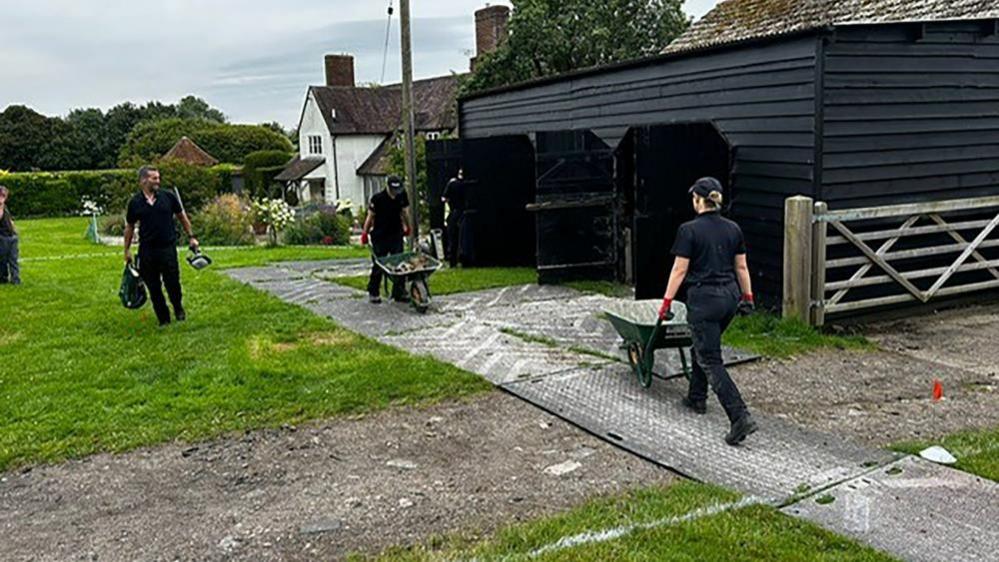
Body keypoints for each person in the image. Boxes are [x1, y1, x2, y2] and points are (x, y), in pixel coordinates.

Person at [659, 177, 758, 446]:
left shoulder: (688, 230)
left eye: (693, 198)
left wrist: (666, 302)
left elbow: (679, 270)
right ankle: (696, 397)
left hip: (704, 299)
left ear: (699, 200)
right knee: (702, 345)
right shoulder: (733, 228)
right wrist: (747, 297)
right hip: (729, 298)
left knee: (710, 357)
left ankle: (739, 417)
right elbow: (741, 268)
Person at [123, 166, 199, 326]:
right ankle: (163, 318)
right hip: (147, 250)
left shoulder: (168, 197)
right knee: (153, 286)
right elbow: (129, 226)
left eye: (158, 178)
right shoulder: (135, 203)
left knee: (173, 283)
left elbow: (182, 217)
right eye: (154, 178)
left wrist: (191, 237)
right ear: (144, 180)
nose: (158, 181)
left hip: (167, 248)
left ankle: (178, 308)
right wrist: (127, 250)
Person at [361, 175, 411, 304]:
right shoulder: (378, 199)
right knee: (379, 264)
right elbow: (370, 217)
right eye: (393, 190)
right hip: (380, 235)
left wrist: (407, 227)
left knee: (399, 263)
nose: (395, 193)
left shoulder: (402, 196)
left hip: (396, 234)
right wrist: (365, 233)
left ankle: (398, 292)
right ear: (387, 187)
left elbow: (404, 212)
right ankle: (374, 291)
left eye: (397, 190)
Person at [441, 168, 467, 267]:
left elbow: (444, 198)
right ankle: (463, 260)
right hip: (463, 212)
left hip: (454, 212)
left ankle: (453, 261)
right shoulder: (465, 184)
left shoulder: (452, 183)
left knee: (453, 238)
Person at [0, 185, 21, 285]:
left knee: (14, 259)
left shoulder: (5, 207)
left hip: (11, 236)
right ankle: (3, 278)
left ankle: (15, 279)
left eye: (4, 196)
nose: (3, 198)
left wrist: (14, 229)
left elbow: (9, 219)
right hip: (2, 237)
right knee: (2, 259)